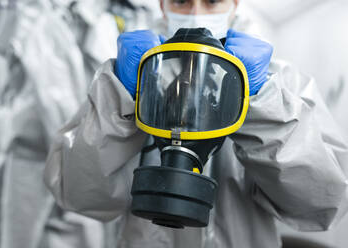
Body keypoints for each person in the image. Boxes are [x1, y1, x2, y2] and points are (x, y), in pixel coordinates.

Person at [44, 0, 348, 247]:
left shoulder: (279, 83)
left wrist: (263, 105)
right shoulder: (129, 77)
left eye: (212, 1)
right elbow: (77, 195)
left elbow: (323, 203)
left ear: (234, 4)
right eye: (182, 1)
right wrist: (118, 99)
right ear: (163, 6)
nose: (196, 14)